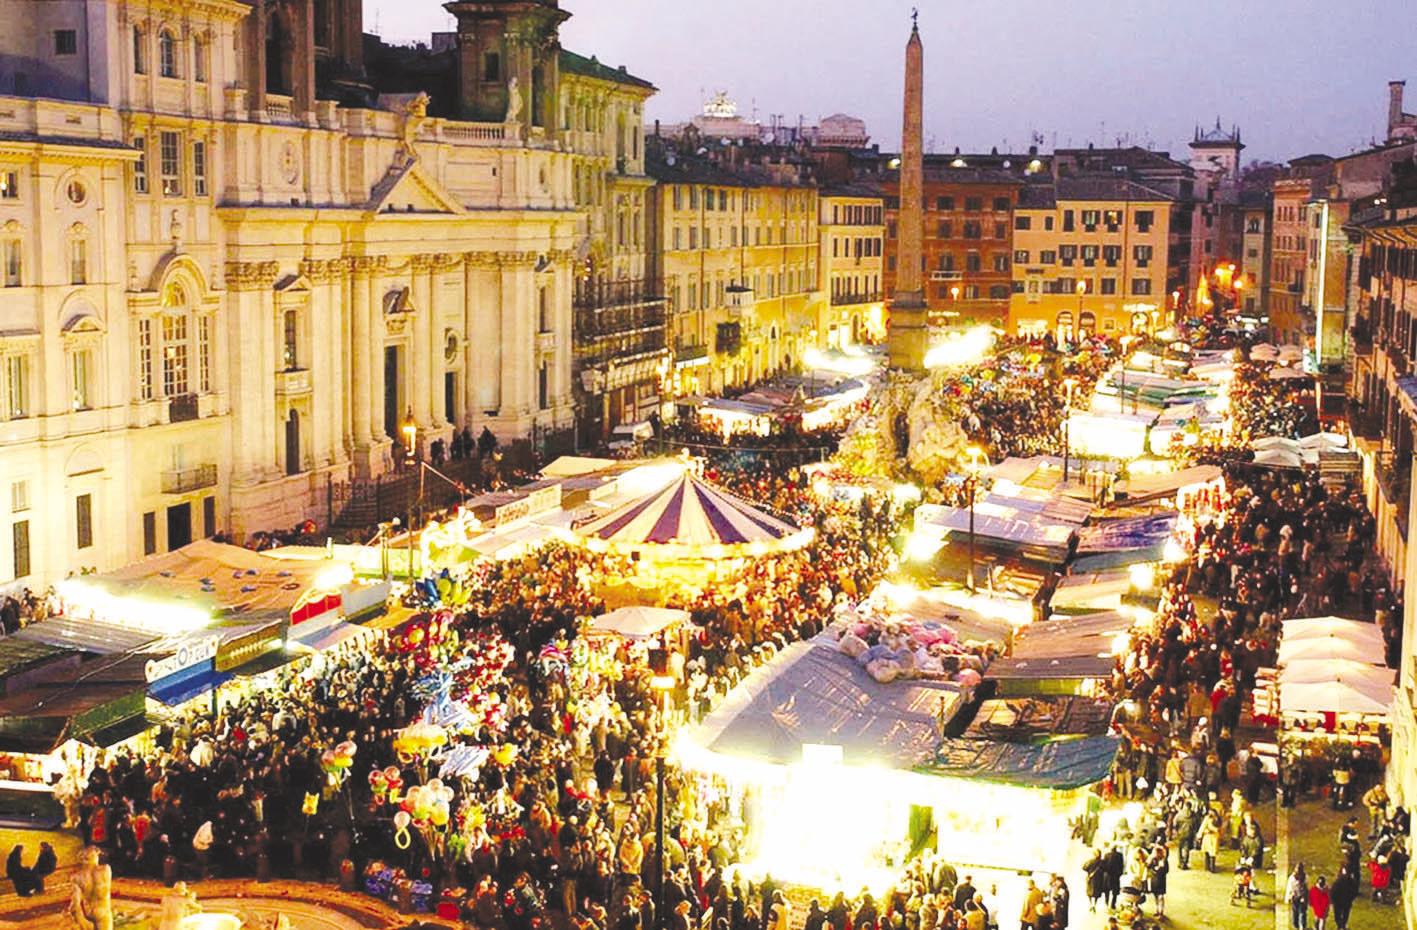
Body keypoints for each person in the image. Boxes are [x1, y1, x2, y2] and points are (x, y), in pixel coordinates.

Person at [1285, 864, 1308, 930]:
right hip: (1294, 897)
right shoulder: (1292, 878)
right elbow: (1289, 888)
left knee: (1302, 913)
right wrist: (1288, 897)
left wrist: (1306, 897)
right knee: (1295, 912)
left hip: (1302, 897)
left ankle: (1302, 926)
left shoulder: (1305, 877)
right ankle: (1296, 925)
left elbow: (1307, 888)